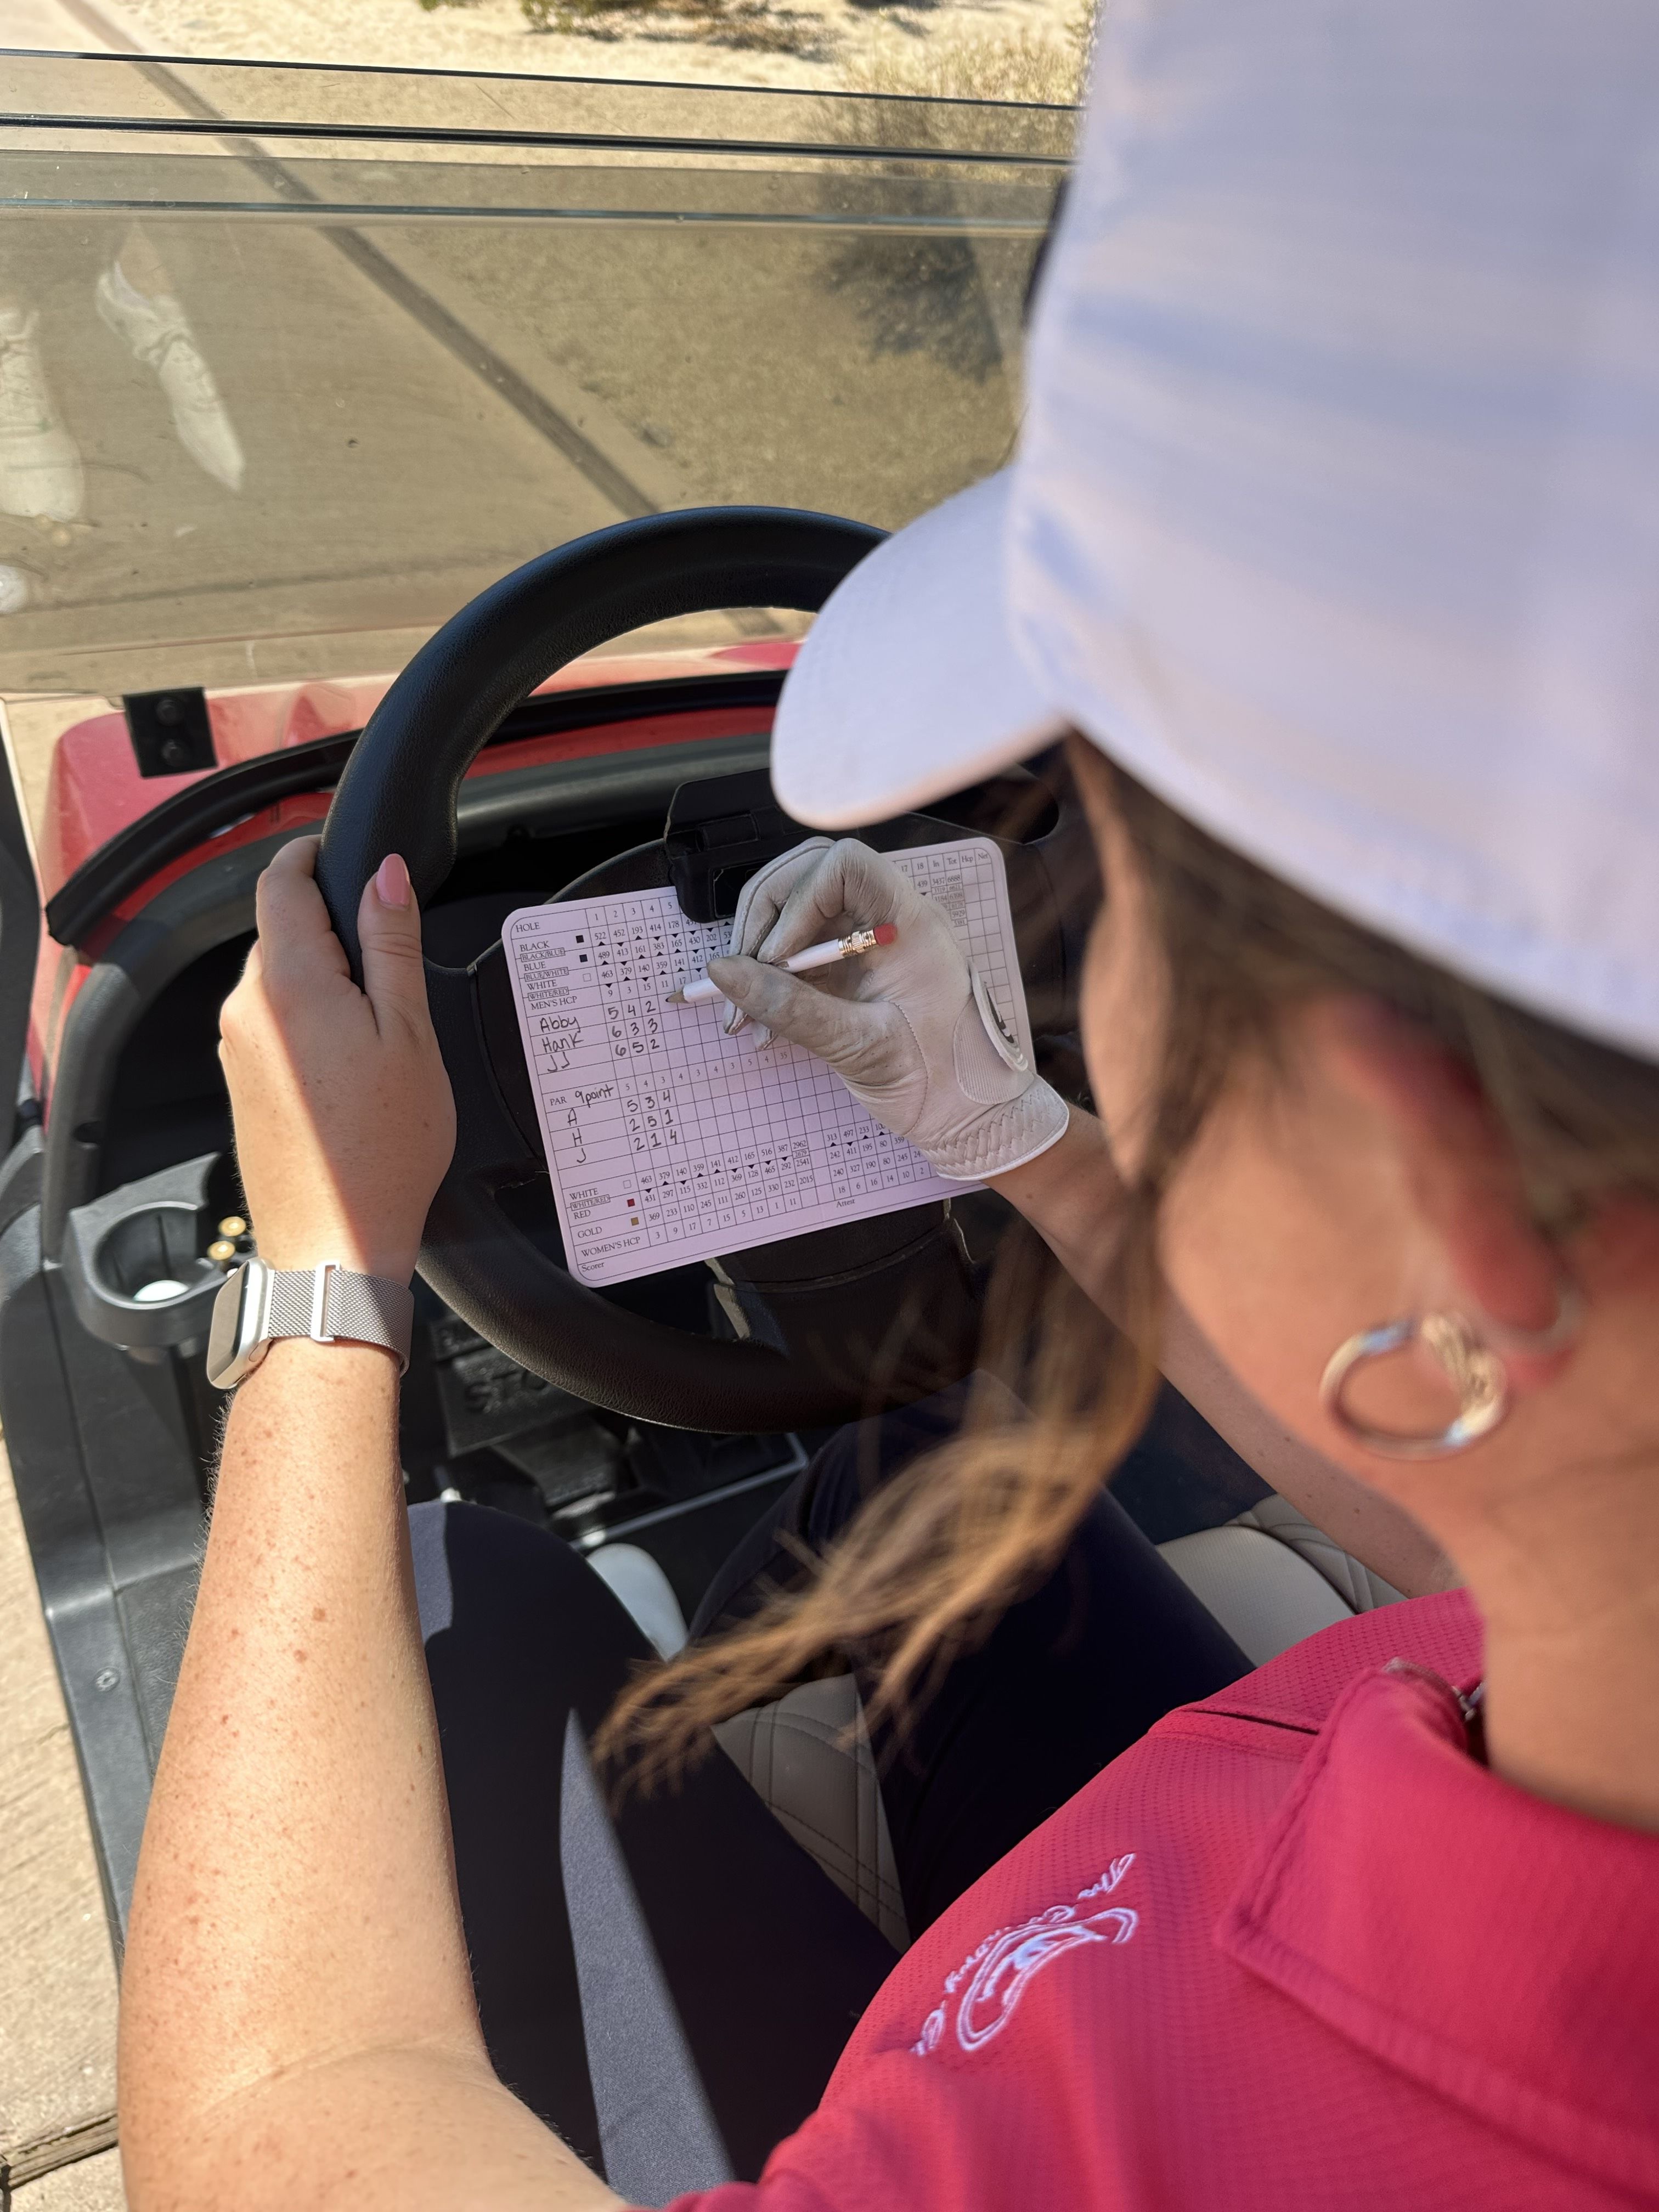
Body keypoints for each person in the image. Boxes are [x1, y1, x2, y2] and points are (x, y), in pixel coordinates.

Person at [119, 3, 1659, 2208]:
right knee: (922, 1457)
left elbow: (282, 2120)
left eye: (1119, 889)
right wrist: (1007, 1123)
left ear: (1439, 1186)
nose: (1082, 955)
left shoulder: (1070, 2164)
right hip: (1292, 1812)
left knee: (464, 1582)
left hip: (1103, 1981)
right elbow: (1494, 1514)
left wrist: (326, 1275)